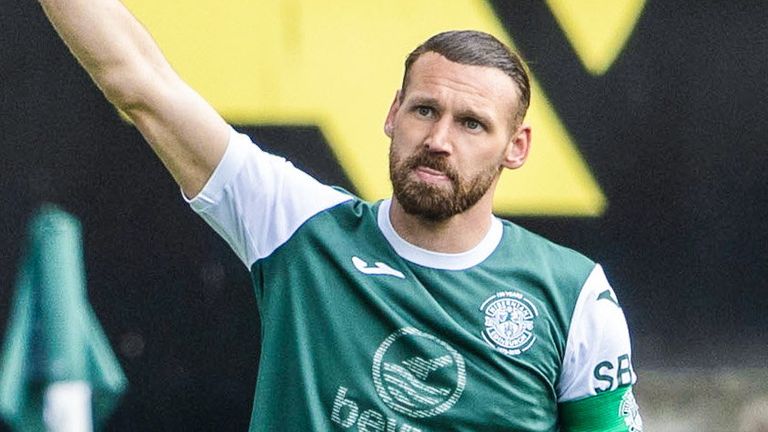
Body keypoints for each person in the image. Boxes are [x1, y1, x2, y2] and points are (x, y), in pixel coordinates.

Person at [38, 0, 642, 430]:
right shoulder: (297, 226)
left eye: (472, 123)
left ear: (517, 147)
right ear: (391, 115)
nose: (438, 138)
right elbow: (139, 81)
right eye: (424, 110)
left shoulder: (574, 294)